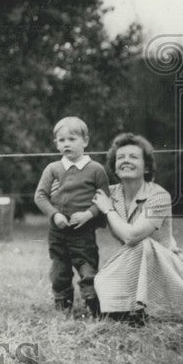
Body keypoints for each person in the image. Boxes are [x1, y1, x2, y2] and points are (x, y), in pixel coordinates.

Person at [92, 132, 183, 325]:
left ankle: (137, 311)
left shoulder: (159, 196)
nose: (126, 161)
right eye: (120, 158)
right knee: (104, 275)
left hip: (169, 265)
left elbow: (132, 236)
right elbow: (75, 199)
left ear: (147, 167)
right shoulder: (109, 194)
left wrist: (108, 209)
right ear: (114, 167)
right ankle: (124, 311)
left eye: (133, 157)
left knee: (143, 244)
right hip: (134, 263)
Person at [34, 116, 110, 316]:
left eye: (72, 139)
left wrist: (88, 214)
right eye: (62, 140)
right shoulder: (53, 169)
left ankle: (94, 308)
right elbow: (40, 196)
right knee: (59, 272)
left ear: (85, 141)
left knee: (88, 271)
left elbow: (104, 198)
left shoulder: (96, 170)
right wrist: (54, 214)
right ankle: (63, 307)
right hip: (58, 232)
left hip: (83, 233)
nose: (66, 144)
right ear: (56, 144)